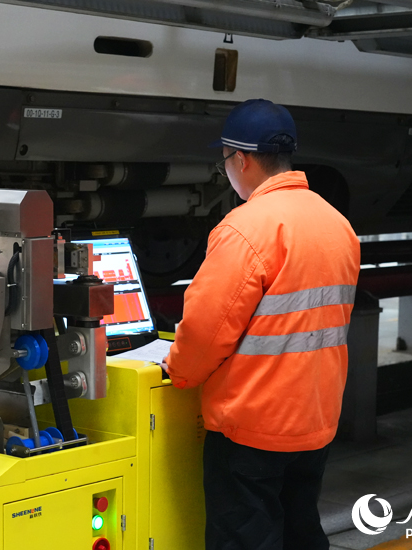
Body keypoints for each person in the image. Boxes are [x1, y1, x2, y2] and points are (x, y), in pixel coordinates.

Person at [162, 99, 361, 550]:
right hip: (314, 419)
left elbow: (205, 330)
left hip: (252, 429)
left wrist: (179, 371)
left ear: (241, 159)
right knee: (300, 532)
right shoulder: (337, 224)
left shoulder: (245, 229)